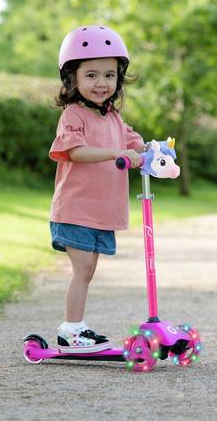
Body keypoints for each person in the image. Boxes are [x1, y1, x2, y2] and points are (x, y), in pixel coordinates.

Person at [47, 25, 145, 353]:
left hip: (100, 213)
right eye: (90, 75)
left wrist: (155, 152)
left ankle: (77, 328)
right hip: (75, 209)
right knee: (83, 268)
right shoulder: (73, 115)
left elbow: (136, 143)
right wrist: (117, 154)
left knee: (89, 270)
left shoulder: (113, 117)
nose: (101, 83)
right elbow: (76, 152)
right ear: (72, 78)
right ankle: (71, 330)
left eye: (109, 74)